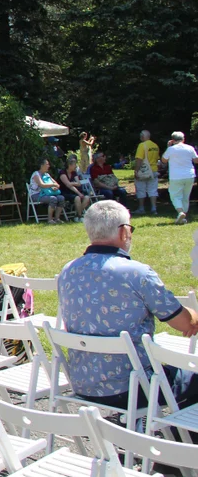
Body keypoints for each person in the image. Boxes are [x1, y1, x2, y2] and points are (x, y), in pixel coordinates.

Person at [58, 200, 198, 410]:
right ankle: (181, 437)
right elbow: (184, 323)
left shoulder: (68, 271)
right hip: (134, 387)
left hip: (83, 382)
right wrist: (194, 318)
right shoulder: (136, 273)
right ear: (124, 232)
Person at [162, 131, 198, 225]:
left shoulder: (171, 149)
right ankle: (183, 216)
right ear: (183, 139)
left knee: (175, 195)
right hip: (189, 175)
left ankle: (180, 212)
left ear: (173, 140)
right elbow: (196, 160)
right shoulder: (190, 148)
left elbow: (164, 160)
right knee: (186, 196)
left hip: (176, 176)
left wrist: (168, 147)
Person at [29, 158, 66, 224]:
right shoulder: (36, 174)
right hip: (36, 195)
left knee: (61, 198)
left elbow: (57, 184)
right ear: (42, 165)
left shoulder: (47, 175)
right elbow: (42, 185)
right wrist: (52, 185)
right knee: (53, 199)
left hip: (47, 193)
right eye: (47, 164)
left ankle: (57, 218)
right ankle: (50, 219)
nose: (49, 166)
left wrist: (55, 187)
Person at [134, 131, 160, 215]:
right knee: (153, 190)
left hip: (144, 171)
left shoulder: (142, 145)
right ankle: (153, 208)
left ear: (142, 137)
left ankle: (141, 208)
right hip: (154, 170)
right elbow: (157, 159)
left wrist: (136, 170)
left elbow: (139, 159)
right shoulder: (155, 146)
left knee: (141, 189)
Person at [59, 155, 92, 221]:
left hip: (74, 191)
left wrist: (70, 183)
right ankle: (80, 216)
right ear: (69, 165)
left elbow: (78, 183)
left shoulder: (74, 173)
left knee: (87, 198)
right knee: (77, 198)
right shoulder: (62, 173)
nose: (76, 166)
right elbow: (68, 185)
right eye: (74, 164)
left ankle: (77, 215)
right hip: (65, 192)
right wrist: (78, 192)